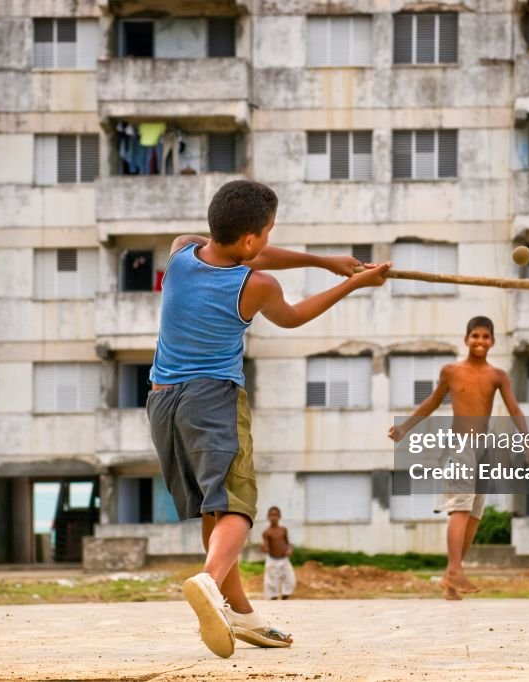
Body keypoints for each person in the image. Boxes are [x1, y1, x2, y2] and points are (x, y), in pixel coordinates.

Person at [147, 180, 391, 658]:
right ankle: (210, 584)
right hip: (212, 399)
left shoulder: (180, 253)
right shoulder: (255, 285)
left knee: (212, 509)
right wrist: (352, 283)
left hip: (162, 401)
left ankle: (240, 613)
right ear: (252, 238)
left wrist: (324, 261)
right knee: (238, 507)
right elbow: (294, 316)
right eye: (267, 231)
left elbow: (248, 251)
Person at [388, 316, 529, 600]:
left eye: (485, 337)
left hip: (484, 449)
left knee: (475, 515)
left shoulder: (497, 375)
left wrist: (526, 436)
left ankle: (452, 581)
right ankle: (454, 570)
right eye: (475, 336)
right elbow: (431, 402)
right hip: (459, 447)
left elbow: (514, 408)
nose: (480, 341)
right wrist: (404, 427)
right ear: (466, 339)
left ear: (492, 341)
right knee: (461, 509)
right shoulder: (451, 371)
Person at [261, 506, 296, 600]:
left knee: (289, 577)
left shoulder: (283, 530)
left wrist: (289, 550)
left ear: (280, 516)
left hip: (284, 558)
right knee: (271, 579)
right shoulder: (266, 532)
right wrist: (264, 548)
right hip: (272, 558)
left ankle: (286, 594)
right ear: (268, 517)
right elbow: (265, 545)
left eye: (276, 515)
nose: (274, 517)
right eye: (271, 515)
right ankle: (273, 596)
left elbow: (289, 543)